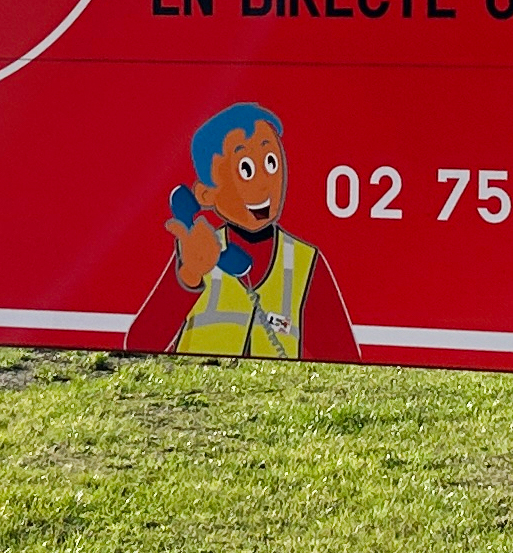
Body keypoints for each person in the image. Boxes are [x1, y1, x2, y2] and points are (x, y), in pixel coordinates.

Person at [124, 102, 361, 360]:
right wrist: (188, 278)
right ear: (206, 194)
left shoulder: (306, 263)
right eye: (246, 169)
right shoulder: (197, 251)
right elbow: (139, 341)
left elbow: (344, 357)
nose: (264, 184)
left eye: (271, 163)